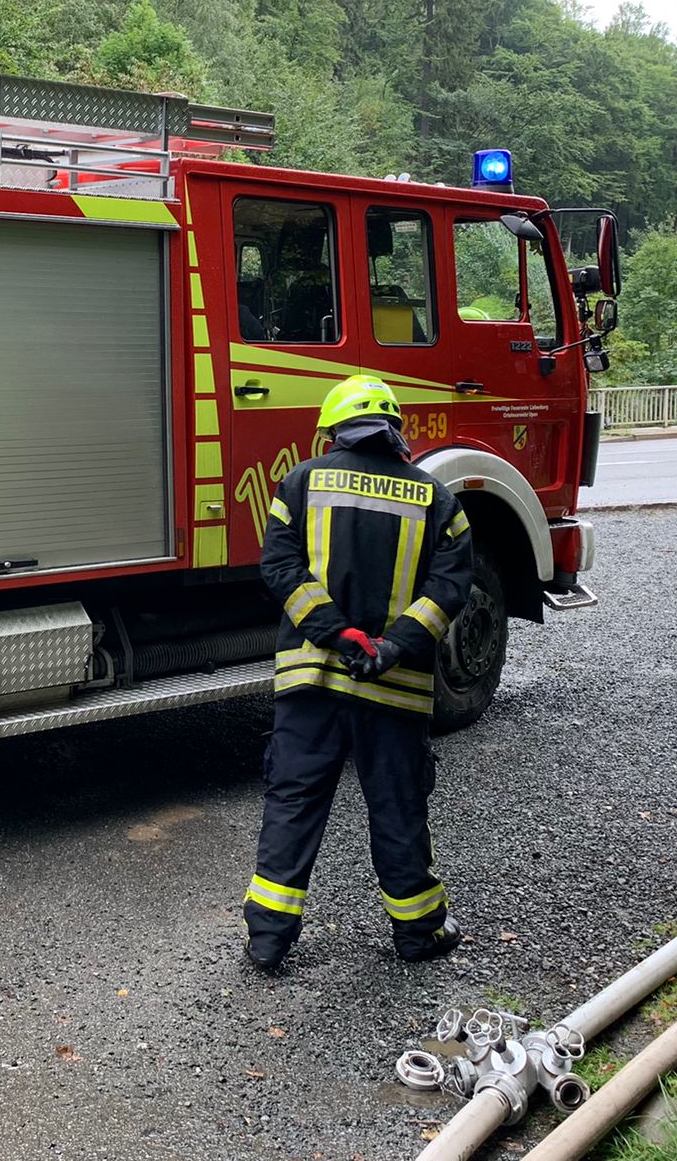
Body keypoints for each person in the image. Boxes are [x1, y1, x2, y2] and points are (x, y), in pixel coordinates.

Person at [242, 373, 475, 973]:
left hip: (312, 680)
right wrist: (391, 646)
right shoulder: (437, 499)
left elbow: (280, 568)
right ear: (395, 428)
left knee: (294, 802)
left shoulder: (301, 482)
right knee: (398, 807)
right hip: (394, 689)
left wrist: (335, 633)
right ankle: (418, 932)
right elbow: (449, 590)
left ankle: (268, 941)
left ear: (334, 430)